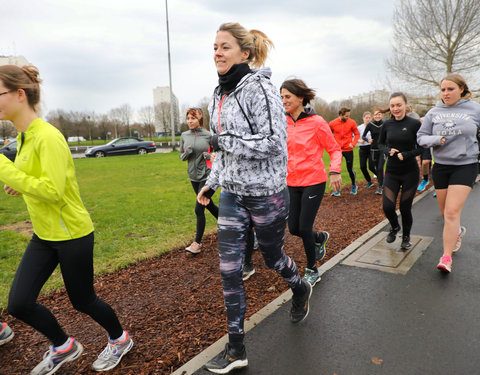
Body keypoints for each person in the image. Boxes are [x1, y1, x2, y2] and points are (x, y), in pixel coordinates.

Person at [0, 65, 133, 374]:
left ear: (20, 95)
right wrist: (18, 183)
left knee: (83, 301)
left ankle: (120, 339)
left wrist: (6, 171)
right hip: (45, 235)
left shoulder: (48, 136)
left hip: (72, 234)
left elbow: (53, 191)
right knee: (19, 304)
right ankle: (64, 346)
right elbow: (36, 178)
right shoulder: (24, 136)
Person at [197, 22, 312, 374]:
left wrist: (222, 140)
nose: (217, 52)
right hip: (233, 193)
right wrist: (212, 181)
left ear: (244, 53)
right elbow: (225, 152)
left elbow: (274, 144)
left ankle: (300, 286)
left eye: (225, 46)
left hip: (266, 195)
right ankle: (236, 349)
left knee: (274, 259)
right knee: (229, 271)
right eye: (215, 46)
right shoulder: (219, 93)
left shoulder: (259, 89)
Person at [280, 78, 342, 286]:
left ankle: (312, 269)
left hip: (314, 180)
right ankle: (319, 237)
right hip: (291, 181)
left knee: (304, 227)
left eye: (287, 97)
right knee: (294, 228)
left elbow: (334, 149)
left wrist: (335, 171)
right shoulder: (282, 121)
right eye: (281, 97)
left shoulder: (317, 122)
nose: (284, 101)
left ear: (300, 97)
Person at [417, 74, 480, 273]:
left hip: (466, 164)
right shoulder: (434, 112)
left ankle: (446, 257)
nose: (446, 93)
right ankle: (458, 232)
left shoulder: (475, 109)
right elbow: (421, 137)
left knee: (452, 212)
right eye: (443, 90)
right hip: (441, 166)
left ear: (461, 89)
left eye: (450, 89)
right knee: (446, 214)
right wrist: (436, 140)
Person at [378, 92, 422, 251]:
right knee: (388, 206)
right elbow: (380, 144)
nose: (395, 108)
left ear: (405, 105)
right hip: (391, 171)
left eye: (398, 105)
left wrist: (408, 154)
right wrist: (387, 151)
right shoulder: (387, 125)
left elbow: (422, 147)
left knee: (405, 207)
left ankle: (406, 237)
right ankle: (395, 227)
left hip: (410, 171)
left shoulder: (414, 124)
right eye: (392, 106)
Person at [180, 108, 219, 254]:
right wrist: (188, 153)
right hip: (193, 177)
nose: (190, 121)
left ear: (200, 119)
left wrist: (209, 156)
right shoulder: (184, 135)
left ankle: (197, 243)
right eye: (188, 118)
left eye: (193, 118)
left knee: (199, 208)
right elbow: (182, 157)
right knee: (209, 205)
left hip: (207, 176)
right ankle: (237, 229)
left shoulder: (208, 135)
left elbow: (215, 155)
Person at [329, 106, 359, 196]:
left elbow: (357, 134)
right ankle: (336, 190)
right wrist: (332, 145)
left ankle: (354, 186)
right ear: (340, 115)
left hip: (348, 149)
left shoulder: (352, 122)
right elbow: (328, 135)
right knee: (336, 170)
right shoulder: (332, 123)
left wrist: (353, 143)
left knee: (350, 169)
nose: (348, 118)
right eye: (346, 116)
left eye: (348, 116)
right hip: (337, 150)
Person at [363, 108, 386, 194]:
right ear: (373, 116)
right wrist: (367, 140)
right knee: (373, 167)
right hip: (373, 149)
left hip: (383, 149)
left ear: (382, 115)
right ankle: (382, 180)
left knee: (380, 168)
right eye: (376, 114)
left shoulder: (385, 124)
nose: (377, 116)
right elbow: (363, 136)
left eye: (379, 114)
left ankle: (380, 187)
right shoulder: (370, 125)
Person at [357, 112, 375, 188]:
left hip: (371, 148)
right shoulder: (359, 128)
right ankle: (369, 181)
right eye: (366, 118)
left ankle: (382, 179)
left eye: (369, 118)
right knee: (362, 166)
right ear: (363, 118)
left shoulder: (374, 126)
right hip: (362, 148)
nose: (368, 119)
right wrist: (359, 141)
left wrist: (373, 140)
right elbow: (354, 138)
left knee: (371, 166)